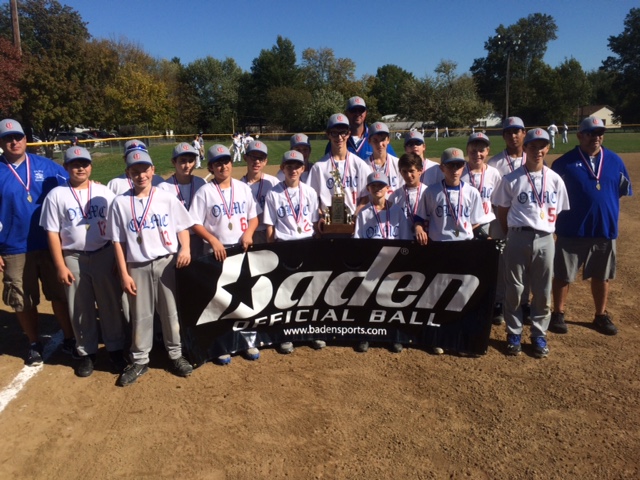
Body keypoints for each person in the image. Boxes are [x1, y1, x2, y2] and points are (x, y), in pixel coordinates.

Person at [108, 149, 194, 386]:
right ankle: (139, 359)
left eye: (145, 170)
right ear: (128, 173)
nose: (141, 175)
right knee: (141, 315)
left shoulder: (166, 197)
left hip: (166, 262)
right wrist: (124, 273)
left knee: (170, 312)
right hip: (137, 265)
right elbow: (118, 242)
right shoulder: (120, 202)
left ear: (153, 170)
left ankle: (175, 354)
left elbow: (183, 226)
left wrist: (185, 249)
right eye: (135, 171)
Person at [39, 146, 127, 377]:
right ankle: (86, 352)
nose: (80, 167)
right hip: (73, 257)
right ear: (66, 167)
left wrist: (119, 260)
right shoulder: (57, 195)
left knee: (109, 304)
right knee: (80, 306)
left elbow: (117, 226)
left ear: (90, 166)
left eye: (84, 163)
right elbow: (51, 232)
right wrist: (59, 265)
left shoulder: (104, 191)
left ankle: (115, 348)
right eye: (75, 164)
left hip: (104, 253)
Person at [0, 118, 75, 365]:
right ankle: (34, 342)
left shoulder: (47, 166)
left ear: (25, 138)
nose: (14, 141)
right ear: (1, 142)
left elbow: (72, 189)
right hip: (14, 247)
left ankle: (69, 338)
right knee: (22, 299)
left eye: (18, 137)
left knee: (59, 294)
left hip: (50, 243)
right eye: (8, 138)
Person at [550, 116, 633, 336]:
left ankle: (600, 315)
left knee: (602, 275)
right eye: (590, 133)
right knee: (562, 274)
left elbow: (621, 191)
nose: (595, 137)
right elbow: (551, 197)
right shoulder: (563, 164)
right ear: (579, 135)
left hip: (604, 231)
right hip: (571, 230)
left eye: (599, 133)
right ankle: (558, 313)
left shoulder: (615, 161)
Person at [493, 128, 570, 358]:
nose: (538, 150)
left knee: (542, 290)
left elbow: (560, 211)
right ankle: (514, 333)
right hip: (517, 236)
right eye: (533, 146)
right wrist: (512, 234)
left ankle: (538, 334)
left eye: (542, 146)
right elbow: (503, 211)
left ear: (548, 148)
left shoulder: (555, 179)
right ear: (525, 148)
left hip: (546, 238)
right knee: (515, 289)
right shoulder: (511, 179)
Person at [190, 144, 259, 364]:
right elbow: (195, 222)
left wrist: (249, 233)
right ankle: (221, 344)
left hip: (241, 248)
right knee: (219, 299)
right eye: (218, 163)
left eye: (226, 161)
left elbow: (253, 217)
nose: (223, 166)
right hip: (216, 251)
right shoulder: (205, 191)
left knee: (245, 296)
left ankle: (247, 340)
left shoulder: (242, 188)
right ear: (211, 166)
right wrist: (212, 240)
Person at [263, 150, 322, 353]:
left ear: (303, 168)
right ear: (282, 168)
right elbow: (270, 226)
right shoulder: (274, 193)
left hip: (306, 242)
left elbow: (315, 223)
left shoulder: (310, 192)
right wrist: (273, 250)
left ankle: (312, 331)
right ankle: (286, 334)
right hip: (284, 245)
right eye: (289, 166)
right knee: (285, 292)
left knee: (309, 289)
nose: (293, 170)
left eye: (297, 166)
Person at [353, 171, 410, 354]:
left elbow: (405, 239)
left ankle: (394, 336)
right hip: (373, 264)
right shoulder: (364, 214)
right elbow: (358, 240)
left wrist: (400, 260)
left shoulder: (397, 211)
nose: (378, 189)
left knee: (393, 300)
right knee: (369, 300)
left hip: (393, 262)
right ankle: (366, 334)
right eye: (374, 186)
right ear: (368, 189)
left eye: (381, 185)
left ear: (388, 188)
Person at [488, 116, 531, 325]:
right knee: (501, 263)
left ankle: (524, 302)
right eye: (508, 132)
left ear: (524, 133)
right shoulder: (495, 163)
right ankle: (498, 302)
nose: (513, 136)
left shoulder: (533, 159)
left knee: (526, 263)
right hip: (500, 220)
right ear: (503, 135)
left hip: (526, 221)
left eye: (517, 131)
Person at [415, 148, 488, 243]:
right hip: (439, 243)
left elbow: (475, 223)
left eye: (458, 165)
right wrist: (418, 228)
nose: (455, 169)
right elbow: (419, 217)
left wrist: (486, 237)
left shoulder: (472, 192)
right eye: (450, 165)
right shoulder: (431, 191)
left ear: (463, 167)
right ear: (442, 168)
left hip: (465, 243)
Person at [307, 114, 369, 223]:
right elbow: (310, 199)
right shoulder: (319, 167)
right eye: (334, 133)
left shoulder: (360, 165)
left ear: (349, 133)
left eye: (343, 132)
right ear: (328, 135)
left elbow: (367, 197)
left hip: (355, 225)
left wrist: (355, 216)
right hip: (328, 227)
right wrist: (321, 217)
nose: (339, 137)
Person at [157, 142, 207, 256]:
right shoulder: (163, 188)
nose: (187, 165)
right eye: (182, 161)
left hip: (199, 237)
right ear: (174, 162)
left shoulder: (201, 183)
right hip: (175, 240)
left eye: (191, 160)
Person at [324, 96, 396, 160]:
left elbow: (392, 165)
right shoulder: (337, 141)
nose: (357, 113)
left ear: (365, 113)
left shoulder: (376, 137)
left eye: (361, 110)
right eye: (353, 110)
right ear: (346, 113)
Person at [461, 133, 501, 239]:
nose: (477, 154)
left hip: (486, 223)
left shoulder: (493, 173)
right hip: (464, 223)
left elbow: (497, 203)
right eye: (473, 151)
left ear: (487, 151)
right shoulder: (460, 172)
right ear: (467, 151)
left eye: (481, 150)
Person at [240, 140, 279, 244]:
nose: (257, 161)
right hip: (247, 234)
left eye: (260, 158)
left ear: (265, 161)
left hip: (270, 231)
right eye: (253, 157)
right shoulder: (239, 186)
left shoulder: (273, 182)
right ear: (245, 158)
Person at [388, 153, 429, 245]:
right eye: (404, 171)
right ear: (400, 172)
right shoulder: (395, 196)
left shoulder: (428, 192)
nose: (408, 175)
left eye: (411, 171)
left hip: (424, 240)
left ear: (420, 171)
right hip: (402, 240)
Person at [364, 122, 403, 197]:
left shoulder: (398, 163)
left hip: (394, 207)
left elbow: (403, 190)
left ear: (388, 140)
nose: (380, 144)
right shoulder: (364, 165)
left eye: (383, 139)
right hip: (372, 208)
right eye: (375, 140)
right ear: (369, 141)